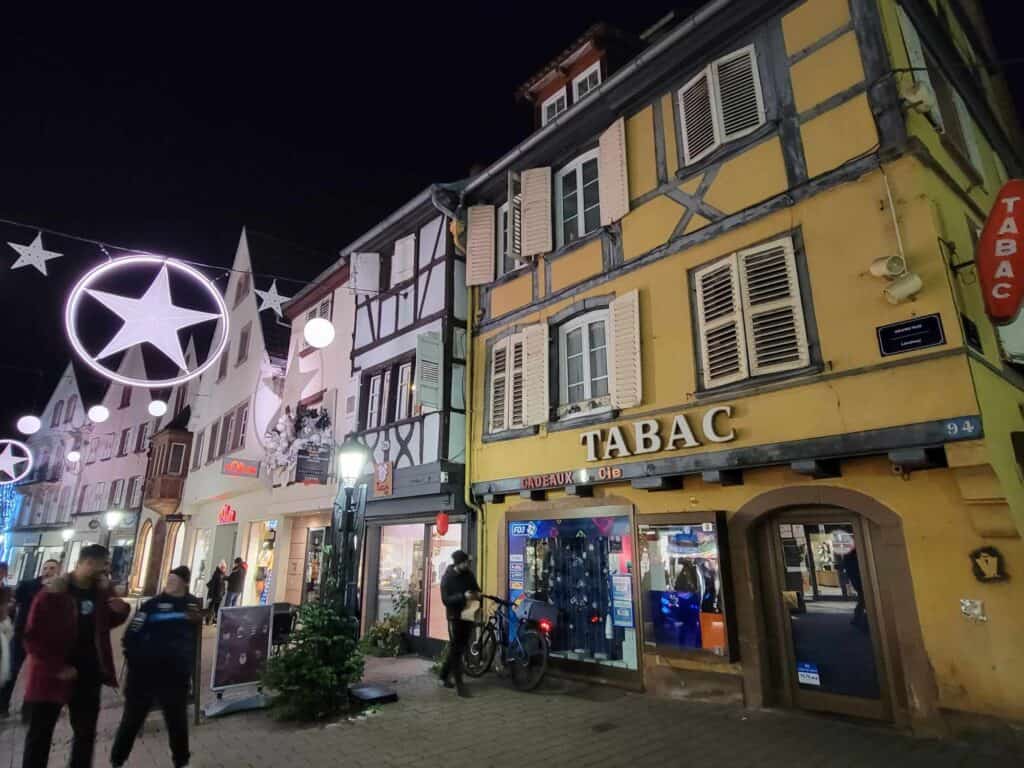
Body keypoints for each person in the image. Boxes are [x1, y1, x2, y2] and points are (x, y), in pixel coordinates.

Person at [21, 545, 130, 768]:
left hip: (89, 673)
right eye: (103, 566)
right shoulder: (54, 591)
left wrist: (122, 611)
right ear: (88, 563)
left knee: (85, 734)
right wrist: (55, 667)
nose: (106, 571)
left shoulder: (102, 591)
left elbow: (106, 623)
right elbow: (32, 636)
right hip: (51, 675)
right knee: (40, 734)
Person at [111, 565, 202, 768]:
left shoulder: (191, 606)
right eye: (168, 580)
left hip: (175, 675)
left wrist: (185, 664)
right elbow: (130, 636)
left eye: (174, 581)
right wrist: (137, 662)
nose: (170, 584)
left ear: (184, 583)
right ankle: (117, 760)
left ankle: (181, 760)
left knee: (177, 721)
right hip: (144, 675)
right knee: (132, 719)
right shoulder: (152, 605)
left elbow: (192, 635)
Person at [0, 558, 60, 717]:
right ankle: (2, 705)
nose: (48, 571)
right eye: (46, 568)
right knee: (12, 670)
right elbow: (14, 602)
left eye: (52, 568)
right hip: (23, 634)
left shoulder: (61, 590)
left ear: (57, 571)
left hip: (44, 639)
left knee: (36, 674)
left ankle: (28, 709)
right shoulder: (28, 585)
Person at [438, 550, 480, 698]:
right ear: (458, 563)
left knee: (460, 647)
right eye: (465, 562)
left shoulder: (468, 574)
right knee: (457, 648)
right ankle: (459, 684)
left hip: (468, 615)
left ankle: (443, 674)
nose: (468, 564)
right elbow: (446, 600)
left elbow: (476, 589)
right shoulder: (447, 578)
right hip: (454, 616)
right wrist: (463, 596)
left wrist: (476, 594)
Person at [205, 561, 227, 625]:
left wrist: (223, 593)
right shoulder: (216, 574)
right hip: (214, 595)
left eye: (225, 567)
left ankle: (214, 621)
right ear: (220, 567)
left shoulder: (222, 574)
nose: (224, 569)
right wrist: (210, 596)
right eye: (223, 567)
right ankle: (208, 621)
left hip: (219, 596)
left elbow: (223, 585)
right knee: (210, 608)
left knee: (216, 609)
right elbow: (212, 586)